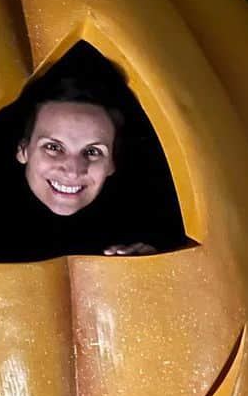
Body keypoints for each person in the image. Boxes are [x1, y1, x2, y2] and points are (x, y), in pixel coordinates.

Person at [11, 64, 157, 259]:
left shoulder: (149, 224)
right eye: (53, 148)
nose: (73, 171)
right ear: (23, 151)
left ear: (112, 163)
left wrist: (152, 270)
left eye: (92, 151)